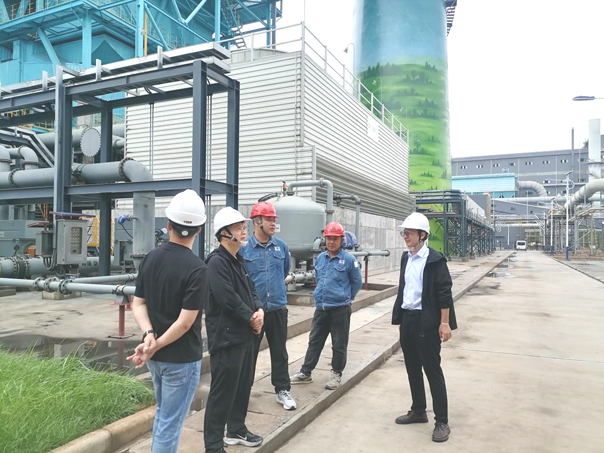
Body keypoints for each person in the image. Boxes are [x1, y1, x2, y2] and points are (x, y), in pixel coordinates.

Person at [127, 189, 208, 453]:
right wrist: (155, 344)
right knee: (170, 423)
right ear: (198, 230)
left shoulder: (151, 257)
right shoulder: (197, 268)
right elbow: (185, 323)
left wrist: (149, 336)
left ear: (169, 225)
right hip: (181, 358)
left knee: (164, 416)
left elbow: (138, 303)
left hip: (157, 359)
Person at [391, 212, 457, 443]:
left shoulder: (435, 260)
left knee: (432, 371)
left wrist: (444, 323)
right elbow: (404, 289)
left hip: (427, 322)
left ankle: (442, 421)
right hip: (408, 319)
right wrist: (400, 320)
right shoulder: (406, 258)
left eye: (409, 232)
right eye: (404, 232)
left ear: (422, 235)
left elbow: (444, 294)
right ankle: (418, 410)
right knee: (412, 368)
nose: (405, 236)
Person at [204, 207, 265, 453]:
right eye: (238, 228)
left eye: (243, 227)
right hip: (227, 338)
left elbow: (251, 290)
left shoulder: (238, 259)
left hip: (245, 335)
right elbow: (226, 298)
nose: (244, 231)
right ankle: (213, 445)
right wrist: (250, 317)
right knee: (222, 392)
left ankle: (236, 429)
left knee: (242, 385)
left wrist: (259, 310)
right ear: (224, 233)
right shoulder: (216, 262)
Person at [291, 221, 362, 390]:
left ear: (341, 240)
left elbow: (357, 282)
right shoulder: (321, 258)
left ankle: (336, 374)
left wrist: (346, 297)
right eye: (328, 238)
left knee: (339, 344)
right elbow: (318, 278)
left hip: (340, 309)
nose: (331, 242)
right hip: (321, 308)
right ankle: (306, 372)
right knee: (314, 341)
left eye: (335, 239)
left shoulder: (349, 260)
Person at [240, 201, 296, 411]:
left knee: (279, 352)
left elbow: (284, 272)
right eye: (269, 219)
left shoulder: (281, 247)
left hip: (277, 308)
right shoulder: (244, 249)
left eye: (274, 219)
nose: (273, 223)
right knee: (249, 354)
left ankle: (282, 390)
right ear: (257, 222)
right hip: (254, 312)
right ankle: (243, 392)